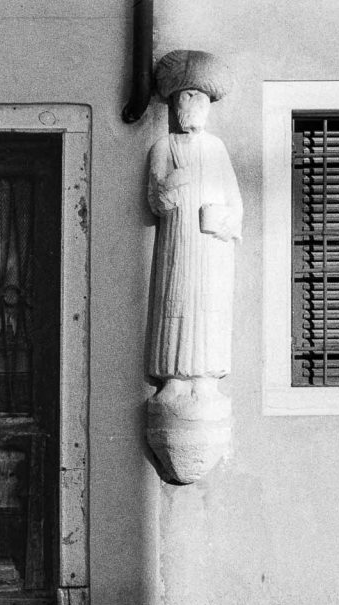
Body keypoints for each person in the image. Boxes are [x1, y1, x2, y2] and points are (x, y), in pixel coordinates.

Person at [146, 50, 242, 402]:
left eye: (199, 98)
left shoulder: (216, 148)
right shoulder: (163, 146)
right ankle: (173, 380)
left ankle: (205, 379)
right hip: (177, 244)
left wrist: (226, 222)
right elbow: (155, 199)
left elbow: (236, 200)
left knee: (209, 307)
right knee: (175, 304)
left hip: (211, 247)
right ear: (175, 105)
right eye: (187, 97)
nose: (194, 104)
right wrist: (176, 181)